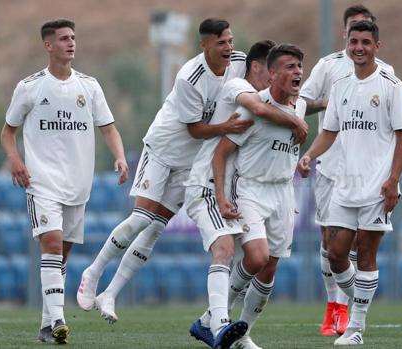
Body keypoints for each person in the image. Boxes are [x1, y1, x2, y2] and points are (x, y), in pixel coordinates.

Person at [76, 19, 306, 327]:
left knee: (155, 229)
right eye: (221, 42)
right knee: (143, 218)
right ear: (205, 45)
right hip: (163, 150)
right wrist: (288, 122)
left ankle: (111, 293)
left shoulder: (239, 63)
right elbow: (195, 129)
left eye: (231, 41)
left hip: (191, 163)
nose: (228, 48)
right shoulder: (191, 76)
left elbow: (272, 101)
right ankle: (93, 272)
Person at [0, 19, 129, 344]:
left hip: (78, 183)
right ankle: (58, 318)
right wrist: (15, 159)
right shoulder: (29, 87)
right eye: (63, 38)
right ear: (48, 45)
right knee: (53, 244)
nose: (71, 43)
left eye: (73, 37)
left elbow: (109, 128)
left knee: (63, 253)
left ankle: (47, 325)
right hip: (41, 180)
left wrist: (120, 156)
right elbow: (8, 131)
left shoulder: (90, 86)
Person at [185, 39, 308, 349]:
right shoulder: (253, 108)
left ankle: (238, 333)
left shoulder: (302, 105)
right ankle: (218, 318)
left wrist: (290, 184)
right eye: (290, 67)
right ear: (271, 73)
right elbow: (221, 154)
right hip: (250, 188)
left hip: (282, 192)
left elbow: (285, 152)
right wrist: (222, 196)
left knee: (270, 268)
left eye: (299, 67)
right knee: (256, 257)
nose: (297, 72)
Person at [297, 20, 402, 346]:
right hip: (344, 184)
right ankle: (364, 296)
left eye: (365, 42)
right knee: (335, 256)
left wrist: (393, 181)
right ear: (347, 43)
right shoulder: (341, 84)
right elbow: (329, 131)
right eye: (354, 41)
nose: (359, 47)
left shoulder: (391, 85)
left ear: (377, 45)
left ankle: (356, 327)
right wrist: (310, 156)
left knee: (365, 255)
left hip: (377, 187)